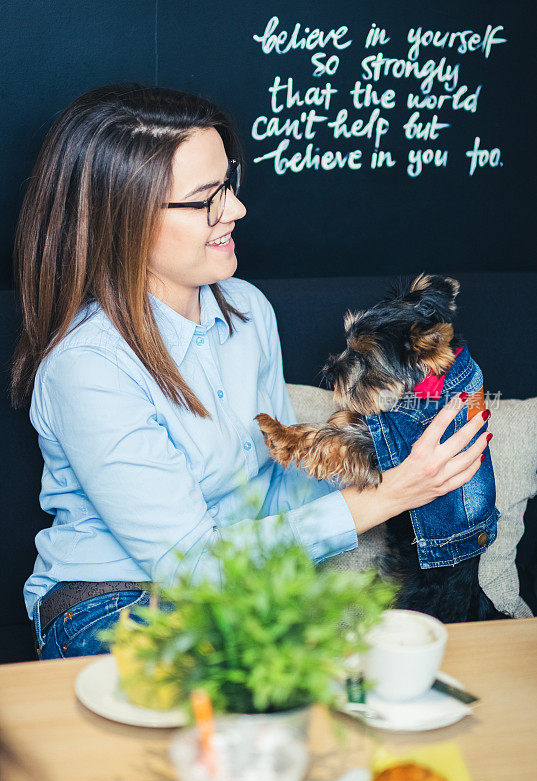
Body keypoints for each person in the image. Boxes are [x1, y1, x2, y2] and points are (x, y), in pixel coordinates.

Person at [11, 84, 491, 659]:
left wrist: (390, 444)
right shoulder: (87, 368)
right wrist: (389, 494)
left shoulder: (246, 309)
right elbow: (190, 568)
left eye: (229, 184)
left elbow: (276, 488)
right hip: (118, 604)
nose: (235, 210)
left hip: (243, 594)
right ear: (124, 218)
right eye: (204, 198)